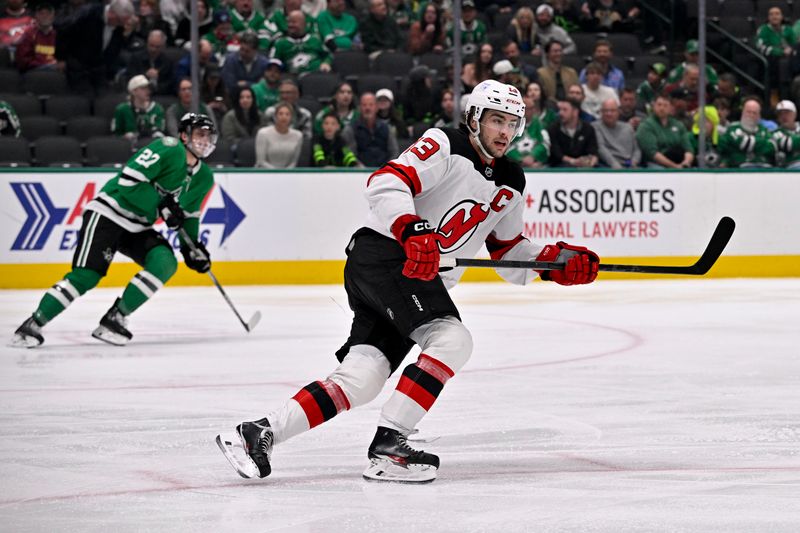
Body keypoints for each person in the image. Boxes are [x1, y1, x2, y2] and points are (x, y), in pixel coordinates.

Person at [217, 79, 599, 484]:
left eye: (513, 123)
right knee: (452, 339)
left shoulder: (511, 180)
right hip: (386, 256)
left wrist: (554, 263)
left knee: (361, 380)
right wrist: (412, 229)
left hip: (406, 275)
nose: (505, 132)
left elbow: (507, 254)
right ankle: (389, 444)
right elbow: (386, 181)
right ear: (474, 118)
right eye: (496, 120)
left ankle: (261, 432)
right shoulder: (445, 144)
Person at [10, 113, 218, 348]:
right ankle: (33, 324)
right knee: (86, 276)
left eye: (209, 135)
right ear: (183, 135)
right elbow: (128, 181)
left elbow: (188, 215)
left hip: (138, 224)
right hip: (109, 212)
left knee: (165, 262)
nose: (205, 139)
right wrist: (160, 203)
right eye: (200, 133)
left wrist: (193, 248)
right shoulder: (169, 148)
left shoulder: (204, 178)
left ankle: (115, 319)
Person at [635, 94, 693, 168]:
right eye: (659, 105)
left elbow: (688, 149)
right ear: (654, 106)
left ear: (671, 108)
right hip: (654, 164)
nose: (662, 108)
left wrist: (686, 163)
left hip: (678, 161)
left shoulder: (678, 125)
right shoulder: (646, 125)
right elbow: (652, 153)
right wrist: (675, 166)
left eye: (665, 105)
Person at [343, 92, 398, 166]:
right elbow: (351, 154)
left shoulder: (387, 128)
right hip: (358, 173)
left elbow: (394, 152)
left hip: (385, 172)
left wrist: (386, 169)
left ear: (377, 108)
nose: (367, 108)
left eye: (371, 105)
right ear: (359, 108)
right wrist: (361, 169)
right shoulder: (350, 129)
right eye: (364, 105)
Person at [718, 97, 774, 168]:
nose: (751, 115)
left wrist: (744, 148)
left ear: (759, 116)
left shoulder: (764, 130)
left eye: (754, 113)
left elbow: (772, 147)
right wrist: (760, 145)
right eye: (748, 112)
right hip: (737, 169)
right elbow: (742, 143)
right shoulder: (732, 128)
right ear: (742, 112)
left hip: (762, 168)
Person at [270, 10, 332, 75]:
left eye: (294, 22)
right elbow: (274, 62)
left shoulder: (314, 40)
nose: (290, 25)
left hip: (318, 75)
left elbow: (328, 55)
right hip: (294, 78)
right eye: (288, 22)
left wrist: (326, 63)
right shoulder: (280, 43)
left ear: (304, 24)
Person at [112, 74, 167, 140]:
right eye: (143, 88)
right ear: (134, 91)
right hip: (128, 147)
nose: (148, 91)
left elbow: (160, 132)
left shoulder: (157, 109)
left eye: (148, 88)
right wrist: (124, 137)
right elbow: (115, 135)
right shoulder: (122, 110)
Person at [507, 85, 551, 167]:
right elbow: (506, 145)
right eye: (524, 109)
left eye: (530, 108)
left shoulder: (540, 124)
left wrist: (533, 156)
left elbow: (545, 144)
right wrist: (520, 159)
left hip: (536, 164)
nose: (526, 111)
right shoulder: (512, 124)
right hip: (514, 164)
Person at [755, 7, 794, 99]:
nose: (774, 16)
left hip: (788, 59)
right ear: (768, 17)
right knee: (779, 63)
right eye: (771, 14)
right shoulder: (763, 29)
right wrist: (780, 52)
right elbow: (761, 46)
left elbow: (794, 44)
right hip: (771, 60)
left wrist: (790, 50)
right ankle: (775, 92)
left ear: (782, 16)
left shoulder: (788, 29)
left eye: (777, 14)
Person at [547, 97, 598, 167]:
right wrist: (572, 161)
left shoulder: (588, 128)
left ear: (575, 112)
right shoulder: (554, 128)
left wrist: (591, 161)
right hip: (560, 166)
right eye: (560, 110)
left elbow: (593, 150)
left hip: (584, 166)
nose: (560, 113)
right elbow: (556, 152)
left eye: (565, 110)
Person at [592, 98, 640, 168]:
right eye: (606, 111)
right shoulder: (595, 126)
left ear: (618, 112)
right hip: (608, 166)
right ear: (601, 112)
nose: (609, 113)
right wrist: (616, 166)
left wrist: (634, 162)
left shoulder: (628, 127)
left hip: (629, 164)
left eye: (612, 110)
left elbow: (637, 149)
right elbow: (601, 149)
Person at [126, 29, 175, 96]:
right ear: (147, 43)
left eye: (157, 47)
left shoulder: (168, 61)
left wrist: (155, 88)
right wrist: (145, 76)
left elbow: (170, 83)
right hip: (138, 94)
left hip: (161, 95)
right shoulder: (136, 58)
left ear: (163, 46)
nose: (153, 50)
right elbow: (130, 79)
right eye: (151, 45)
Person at [255, 102, 303, 168]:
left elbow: (294, 162)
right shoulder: (263, 133)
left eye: (287, 114)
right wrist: (277, 173)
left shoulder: (298, 135)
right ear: (275, 116)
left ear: (291, 117)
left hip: (287, 174)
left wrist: (285, 173)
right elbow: (261, 161)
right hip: (264, 173)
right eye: (280, 114)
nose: (284, 117)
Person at [221, 30, 270, 95]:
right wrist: (254, 84)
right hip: (234, 96)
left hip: (257, 96)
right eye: (241, 49)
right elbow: (230, 84)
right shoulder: (230, 60)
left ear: (255, 50)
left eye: (247, 51)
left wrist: (246, 84)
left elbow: (264, 86)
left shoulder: (264, 63)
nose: (242, 53)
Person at [14, 1, 57, 73]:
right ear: (36, 16)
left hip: (56, 74)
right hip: (34, 74)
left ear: (53, 17)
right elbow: (23, 61)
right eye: (41, 13)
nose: (45, 16)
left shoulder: (60, 36)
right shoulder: (27, 35)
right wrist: (45, 65)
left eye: (48, 13)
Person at [771, 100, 800, 169]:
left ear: (795, 114)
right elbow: (787, 144)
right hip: (790, 168)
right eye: (780, 114)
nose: (783, 116)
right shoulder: (775, 133)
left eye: (787, 113)